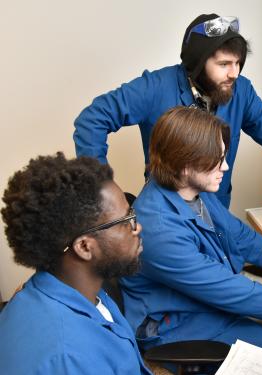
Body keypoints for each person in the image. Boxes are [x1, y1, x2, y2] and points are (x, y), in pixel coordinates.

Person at [121, 107, 262, 375]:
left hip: (205, 296)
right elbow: (228, 290)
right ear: (184, 164)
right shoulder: (159, 229)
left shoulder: (190, 188)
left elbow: (238, 235)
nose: (225, 167)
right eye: (216, 161)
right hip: (180, 324)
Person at [74, 13, 262, 208]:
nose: (234, 73)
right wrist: (102, 187)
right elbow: (92, 119)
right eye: (224, 64)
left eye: (238, 63)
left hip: (216, 206)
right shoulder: (154, 87)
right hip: (166, 209)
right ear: (197, 62)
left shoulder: (241, 89)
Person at [0, 153, 151, 375]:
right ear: (84, 247)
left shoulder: (82, 293)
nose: (137, 228)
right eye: (125, 221)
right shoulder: (70, 356)